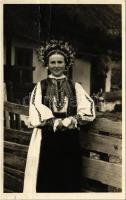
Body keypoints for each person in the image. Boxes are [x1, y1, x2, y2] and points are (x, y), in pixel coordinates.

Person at [23, 40, 95, 193]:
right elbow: (35, 108)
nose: (56, 66)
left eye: (60, 62)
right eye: (53, 62)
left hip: (70, 138)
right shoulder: (41, 86)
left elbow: (88, 108)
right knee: (48, 177)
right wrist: (54, 122)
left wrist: (73, 119)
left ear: (66, 64)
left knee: (69, 177)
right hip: (48, 137)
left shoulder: (75, 86)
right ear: (47, 64)